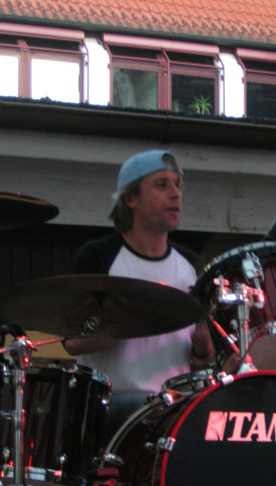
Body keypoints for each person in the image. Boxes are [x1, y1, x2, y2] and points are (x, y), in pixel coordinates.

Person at [65, 148, 212, 445]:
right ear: (130, 198)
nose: (176, 194)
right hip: (110, 401)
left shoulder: (190, 265)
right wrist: (123, 323)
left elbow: (203, 358)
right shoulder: (98, 256)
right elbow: (71, 342)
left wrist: (202, 347)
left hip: (173, 405)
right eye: (161, 185)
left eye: (178, 185)